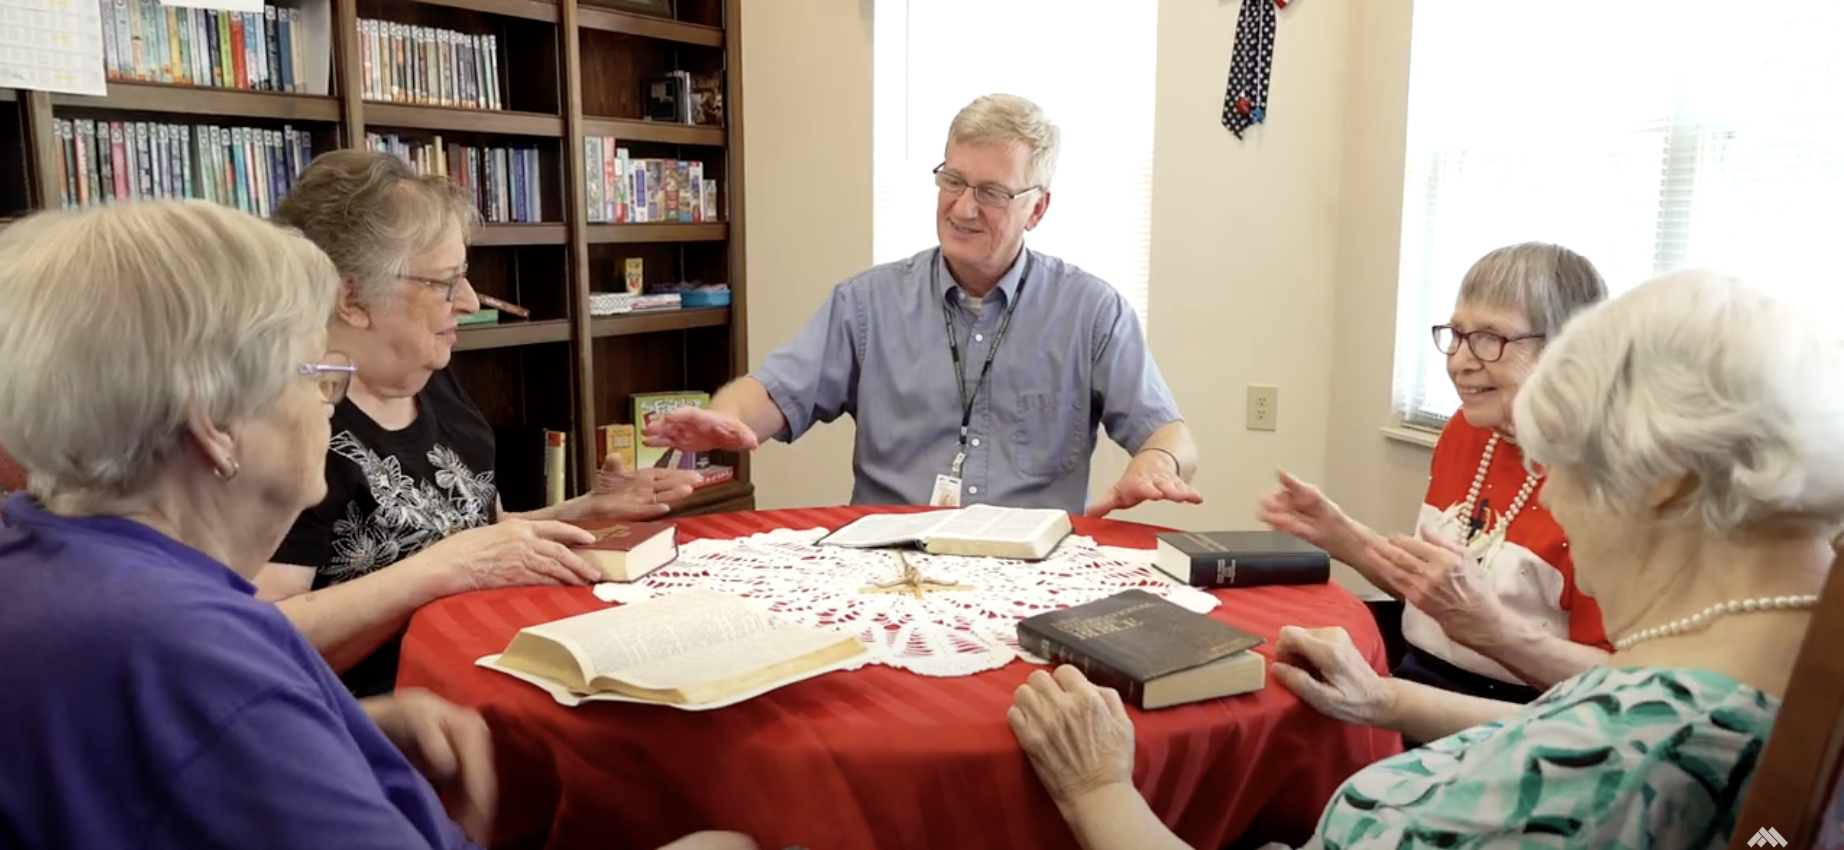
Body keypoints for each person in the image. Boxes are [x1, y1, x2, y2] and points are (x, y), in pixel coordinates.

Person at [0, 199, 757, 850]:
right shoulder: (193, 657)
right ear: (214, 426)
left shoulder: (34, 552)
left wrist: (339, 730)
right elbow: (212, 712)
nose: (331, 402)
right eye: (316, 373)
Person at [1007, 268, 1843, 849]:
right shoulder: (1782, 664)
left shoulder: (1627, 764)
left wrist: (1099, 792)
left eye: (1574, 471)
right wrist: (1388, 698)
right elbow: (1584, 725)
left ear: (1668, 479)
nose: (1552, 501)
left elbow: (1604, 748)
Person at [255, 149, 701, 698]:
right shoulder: (291, 423)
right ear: (353, 298)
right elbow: (260, 642)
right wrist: (439, 571)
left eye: (464, 278)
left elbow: (465, 535)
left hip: (483, 666)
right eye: (445, 283)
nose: (468, 302)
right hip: (384, 724)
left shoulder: (431, 379)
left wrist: (585, 509)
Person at [643, 93, 1201, 517]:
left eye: (992, 192)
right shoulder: (866, 303)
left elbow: (1170, 433)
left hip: (1031, 575)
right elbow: (770, 393)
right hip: (890, 566)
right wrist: (723, 420)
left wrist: (1156, 464)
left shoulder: (1092, 311)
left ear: (1037, 210)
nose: (963, 207)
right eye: (953, 180)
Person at [1259, 242, 1610, 704]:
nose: (1459, 361)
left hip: (1519, 718)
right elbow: (1439, 599)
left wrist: (1495, 633)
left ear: (1568, 348)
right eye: (1457, 334)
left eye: (1490, 339)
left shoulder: (1608, 479)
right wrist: (1345, 538)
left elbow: (1619, 689)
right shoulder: (1468, 430)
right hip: (1414, 676)